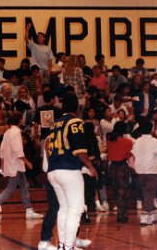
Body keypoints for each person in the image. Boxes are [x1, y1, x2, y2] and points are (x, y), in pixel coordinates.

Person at [45, 93, 97, 250]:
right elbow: (79, 149)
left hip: (53, 170)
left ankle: (62, 245)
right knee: (75, 209)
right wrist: (90, 166)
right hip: (68, 170)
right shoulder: (75, 122)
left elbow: (48, 147)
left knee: (64, 209)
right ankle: (69, 246)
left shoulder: (55, 124)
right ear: (77, 107)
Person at [0, 114, 43, 221]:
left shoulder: (7, 133)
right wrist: (27, 162)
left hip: (12, 164)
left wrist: (3, 165)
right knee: (11, 187)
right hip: (16, 164)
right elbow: (18, 150)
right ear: (20, 120)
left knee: (24, 185)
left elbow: (1, 150)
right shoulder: (17, 132)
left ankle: (29, 210)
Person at [130, 118, 157, 225]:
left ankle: (151, 213)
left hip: (140, 170)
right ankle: (145, 215)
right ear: (151, 130)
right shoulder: (154, 141)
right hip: (151, 170)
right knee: (150, 193)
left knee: (146, 191)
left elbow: (134, 154)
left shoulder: (137, 141)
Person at [107, 121, 133, 223]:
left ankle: (120, 213)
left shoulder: (110, 140)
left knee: (116, 192)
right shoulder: (128, 142)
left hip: (113, 167)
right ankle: (123, 213)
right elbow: (128, 155)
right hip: (122, 167)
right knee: (123, 191)